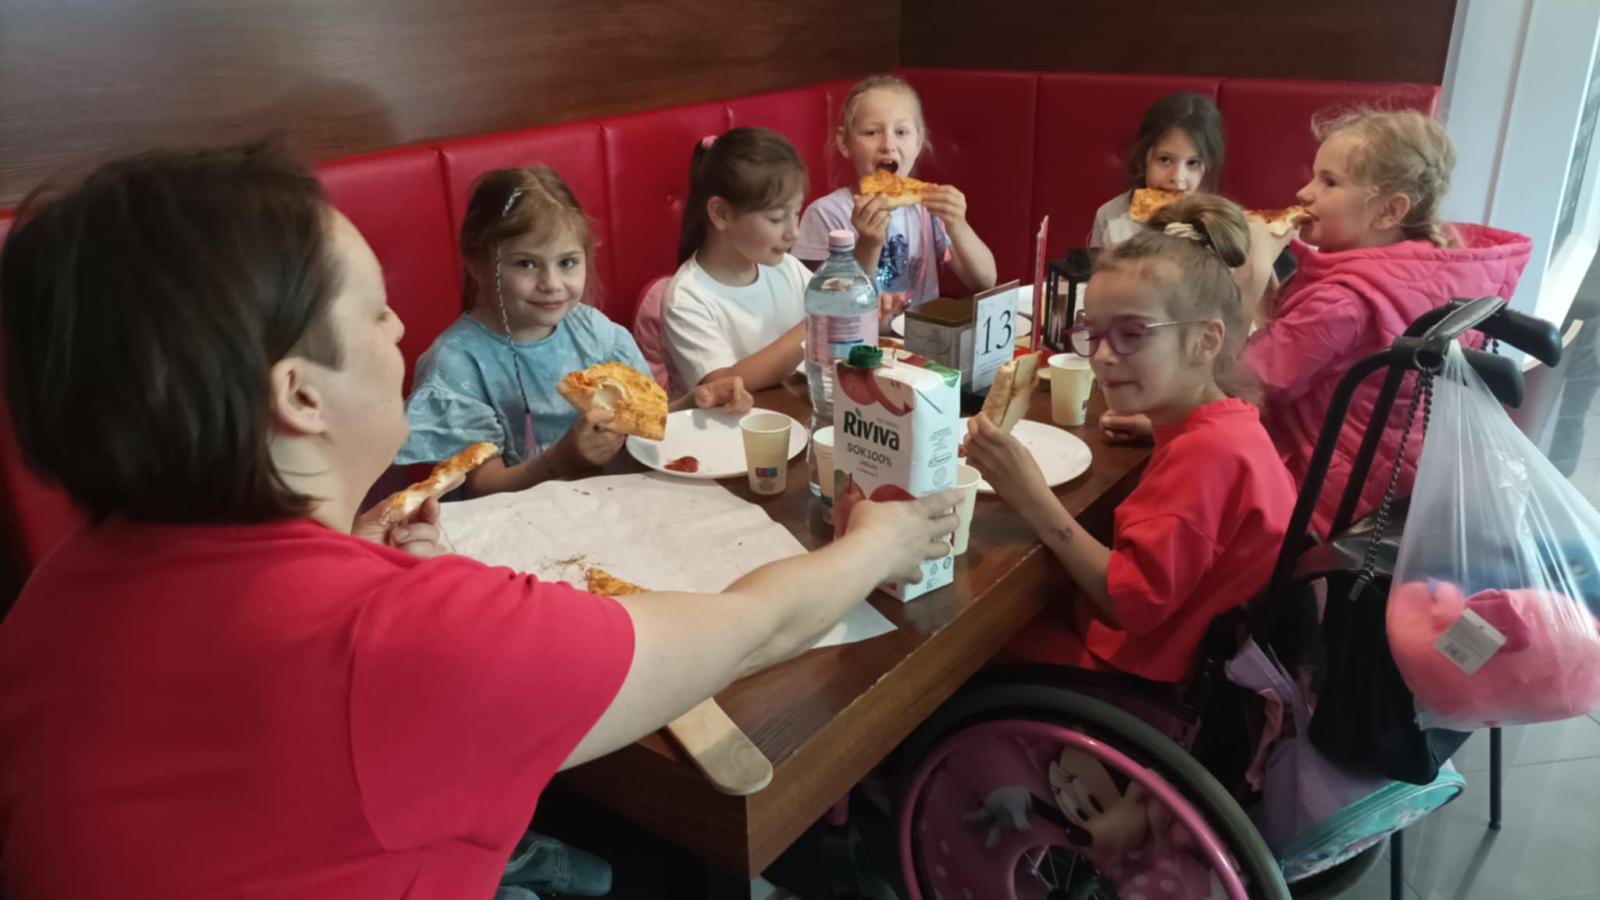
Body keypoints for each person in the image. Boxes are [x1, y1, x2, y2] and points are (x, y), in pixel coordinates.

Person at [0, 143, 959, 898]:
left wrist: (344, 555)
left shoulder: (52, 593)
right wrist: (876, 542)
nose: (401, 332)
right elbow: (752, 627)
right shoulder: (395, 636)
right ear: (299, 395)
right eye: (377, 314)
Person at [965, 196, 1296, 683]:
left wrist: (1033, 498)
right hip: (1176, 650)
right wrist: (1163, 426)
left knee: (969, 645)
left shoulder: (1206, 456)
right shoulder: (1224, 428)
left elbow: (1128, 605)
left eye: (1131, 334)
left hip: (1133, 673)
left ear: (1206, 340)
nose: (1102, 356)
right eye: (1093, 334)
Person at [399, 166, 752, 498]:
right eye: (526, 264)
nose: (551, 283)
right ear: (478, 264)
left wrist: (699, 399)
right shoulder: (456, 364)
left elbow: (642, 422)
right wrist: (560, 460)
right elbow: (481, 488)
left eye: (567, 262)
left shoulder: (595, 332)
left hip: (605, 505)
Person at [794, 74, 997, 309]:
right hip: (861, 332)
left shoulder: (927, 209)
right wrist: (869, 244)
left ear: (918, 142)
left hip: (922, 330)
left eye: (901, 132)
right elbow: (828, 306)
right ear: (844, 142)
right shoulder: (826, 214)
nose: (888, 145)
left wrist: (958, 224)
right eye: (871, 132)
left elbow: (984, 281)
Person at [660, 128, 815, 395]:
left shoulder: (787, 268)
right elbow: (721, 386)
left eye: (796, 214)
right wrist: (816, 326)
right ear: (721, 213)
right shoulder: (688, 298)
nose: (794, 233)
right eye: (776, 219)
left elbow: (839, 311)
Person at [1088, 93, 1223, 249]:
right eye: (1164, 159)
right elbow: (1095, 264)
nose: (1177, 178)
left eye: (1193, 163)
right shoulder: (1110, 215)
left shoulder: (1220, 224)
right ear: (1143, 157)